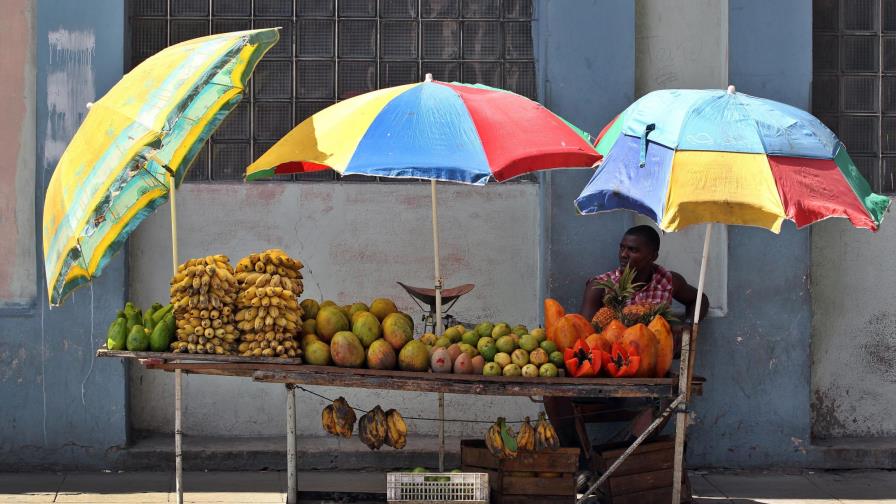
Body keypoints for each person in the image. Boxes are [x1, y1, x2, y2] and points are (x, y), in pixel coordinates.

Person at [544, 225, 709, 450]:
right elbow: (583, 336)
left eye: (632, 250)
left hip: (649, 371)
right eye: (622, 248)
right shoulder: (601, 285)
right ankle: (579, 457)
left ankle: (622, 459)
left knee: (671, 394)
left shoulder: (669, 281)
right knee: (552, 395)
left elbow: (700, 300)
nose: (623, 254)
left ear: (653, 255)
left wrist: (687, 327)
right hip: (606, 370)